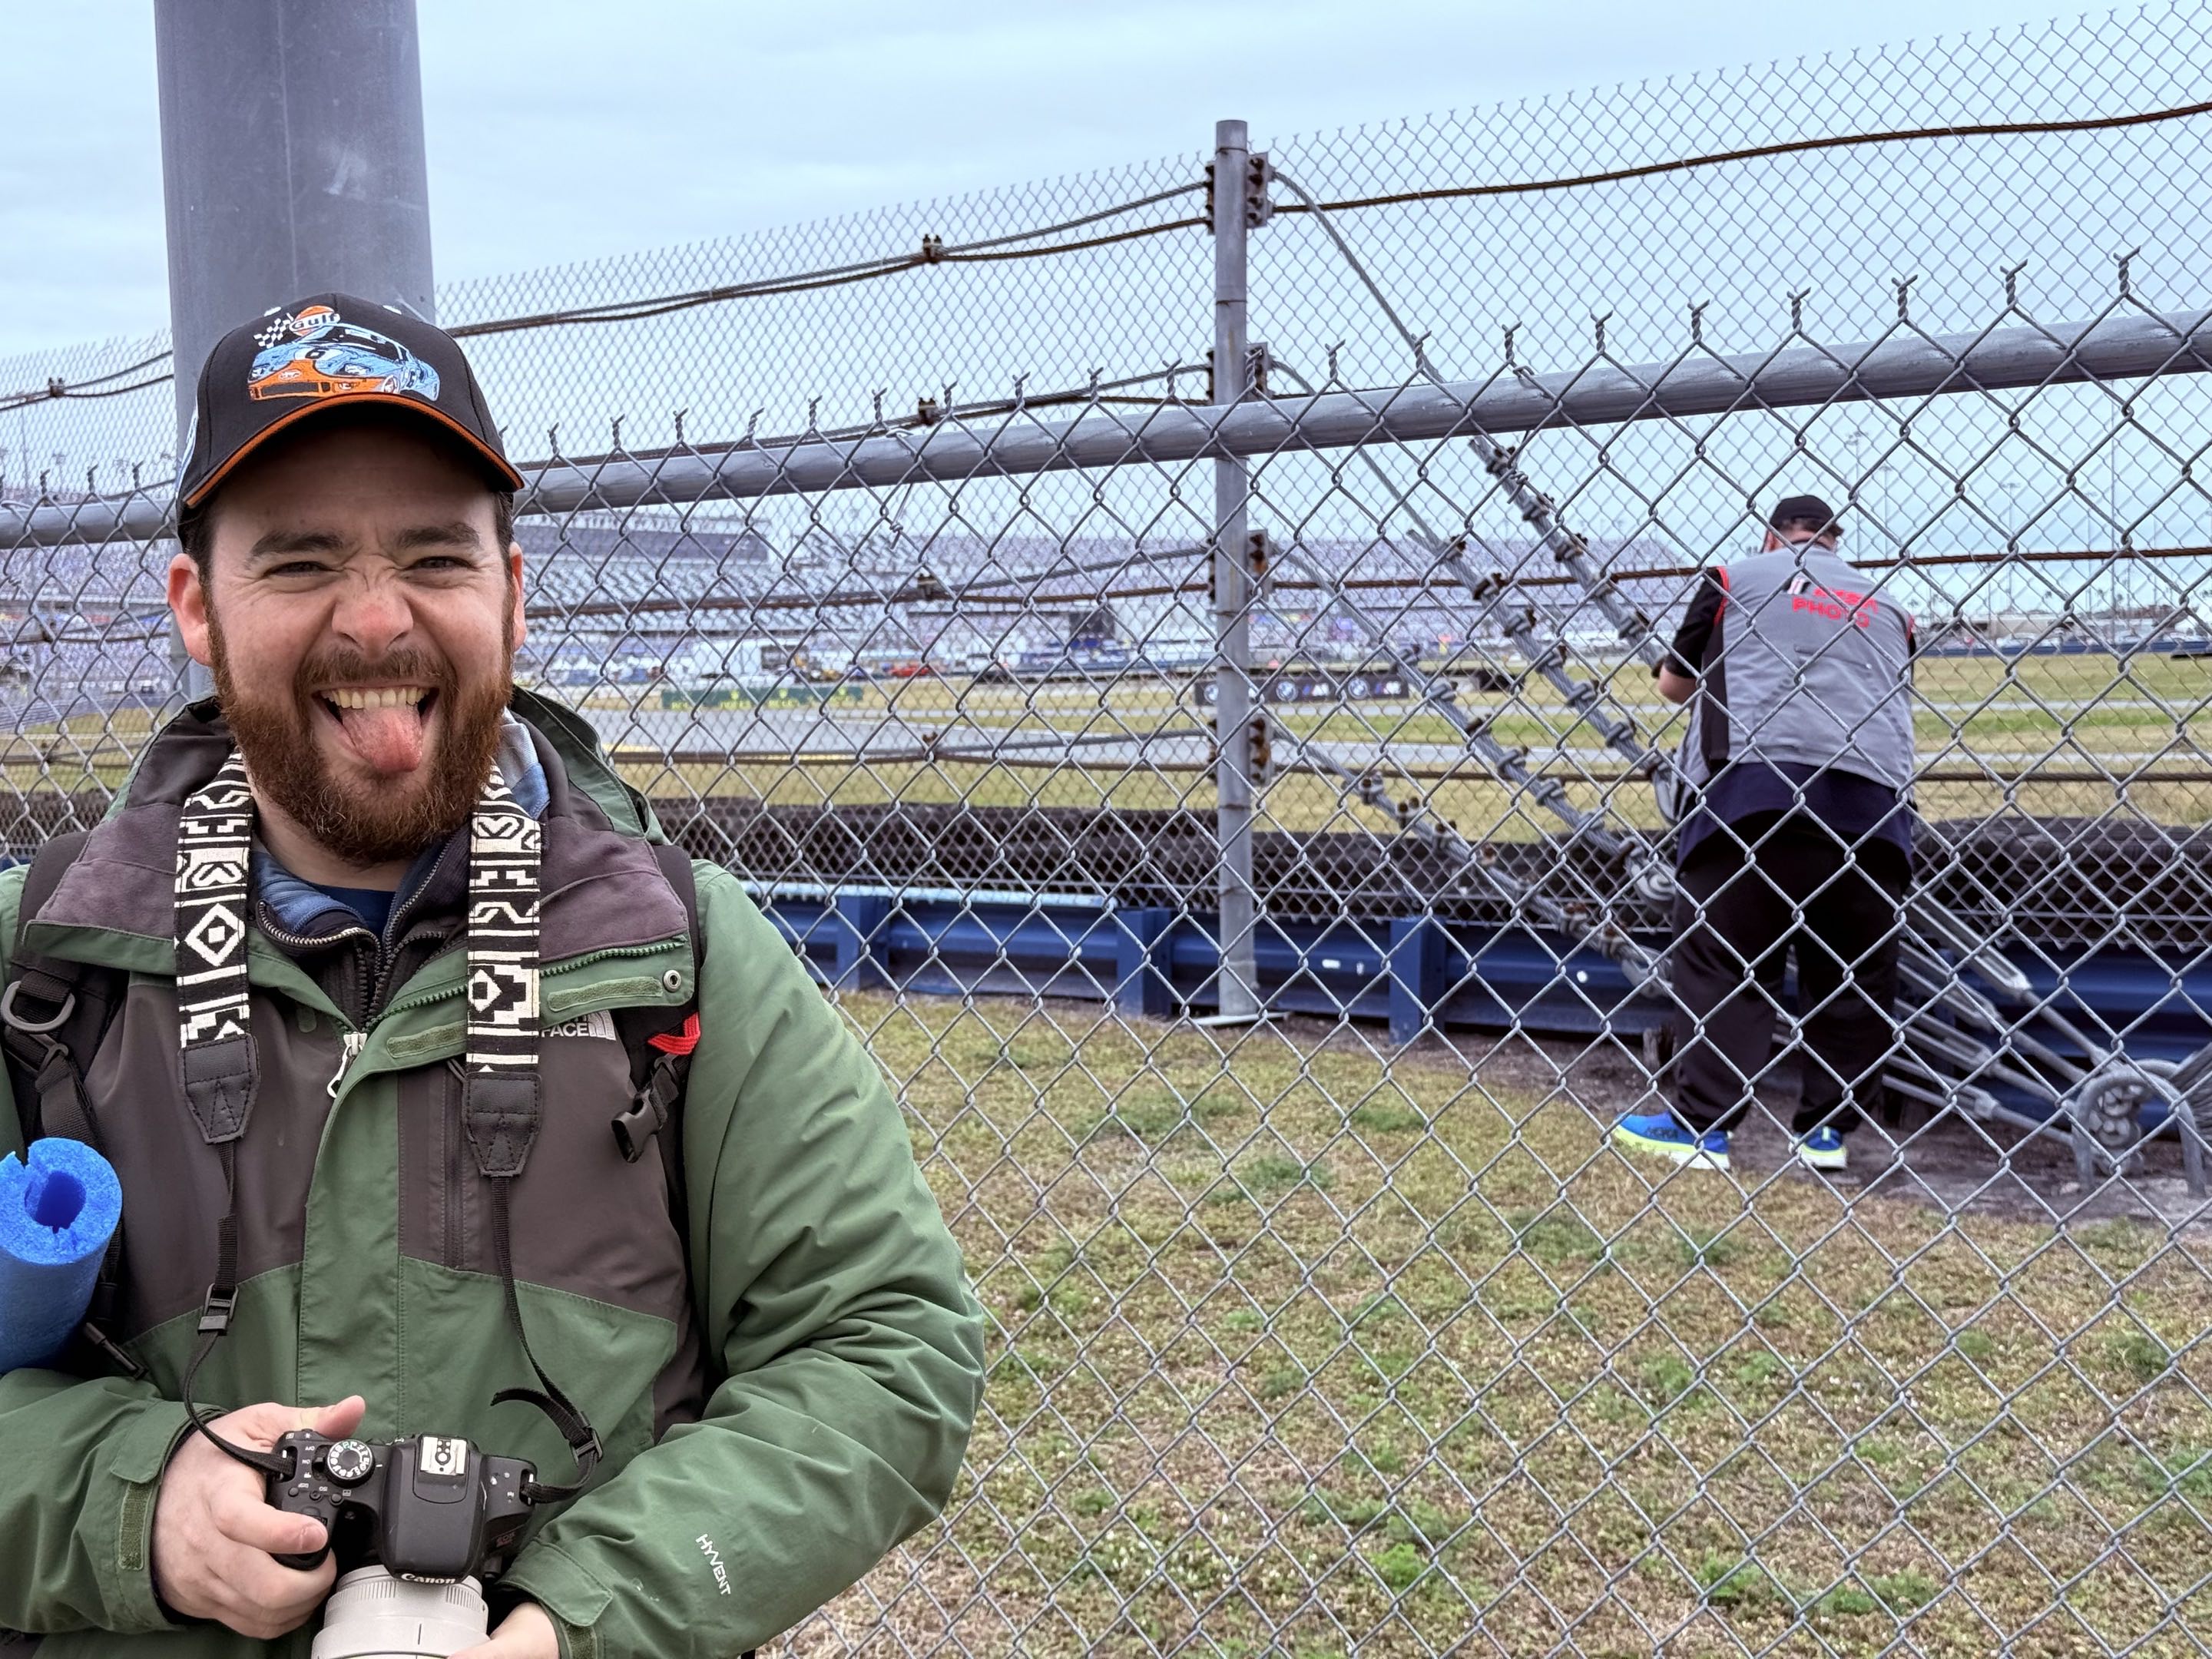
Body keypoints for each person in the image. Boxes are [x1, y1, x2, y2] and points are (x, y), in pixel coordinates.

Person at [0, 295, 984, 1656]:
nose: (377, 620)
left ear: (511, 596)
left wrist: (575, 1624)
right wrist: (130, 1505)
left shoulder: (683, 955)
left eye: (433, 559)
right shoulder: (39, 965)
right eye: (295, 565)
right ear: (197, 611)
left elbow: (887, 1347)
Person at [1613, 494, 1916, 1174]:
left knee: (1725, 958)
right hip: (1871, 806)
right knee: (1851, 975)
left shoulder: (1733, 578)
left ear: (1771, 538)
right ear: (1836, 540)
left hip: (1752, 795)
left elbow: (1674, 686)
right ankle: (1825, 1135)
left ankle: (1702, 1127)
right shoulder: (1892, 606)